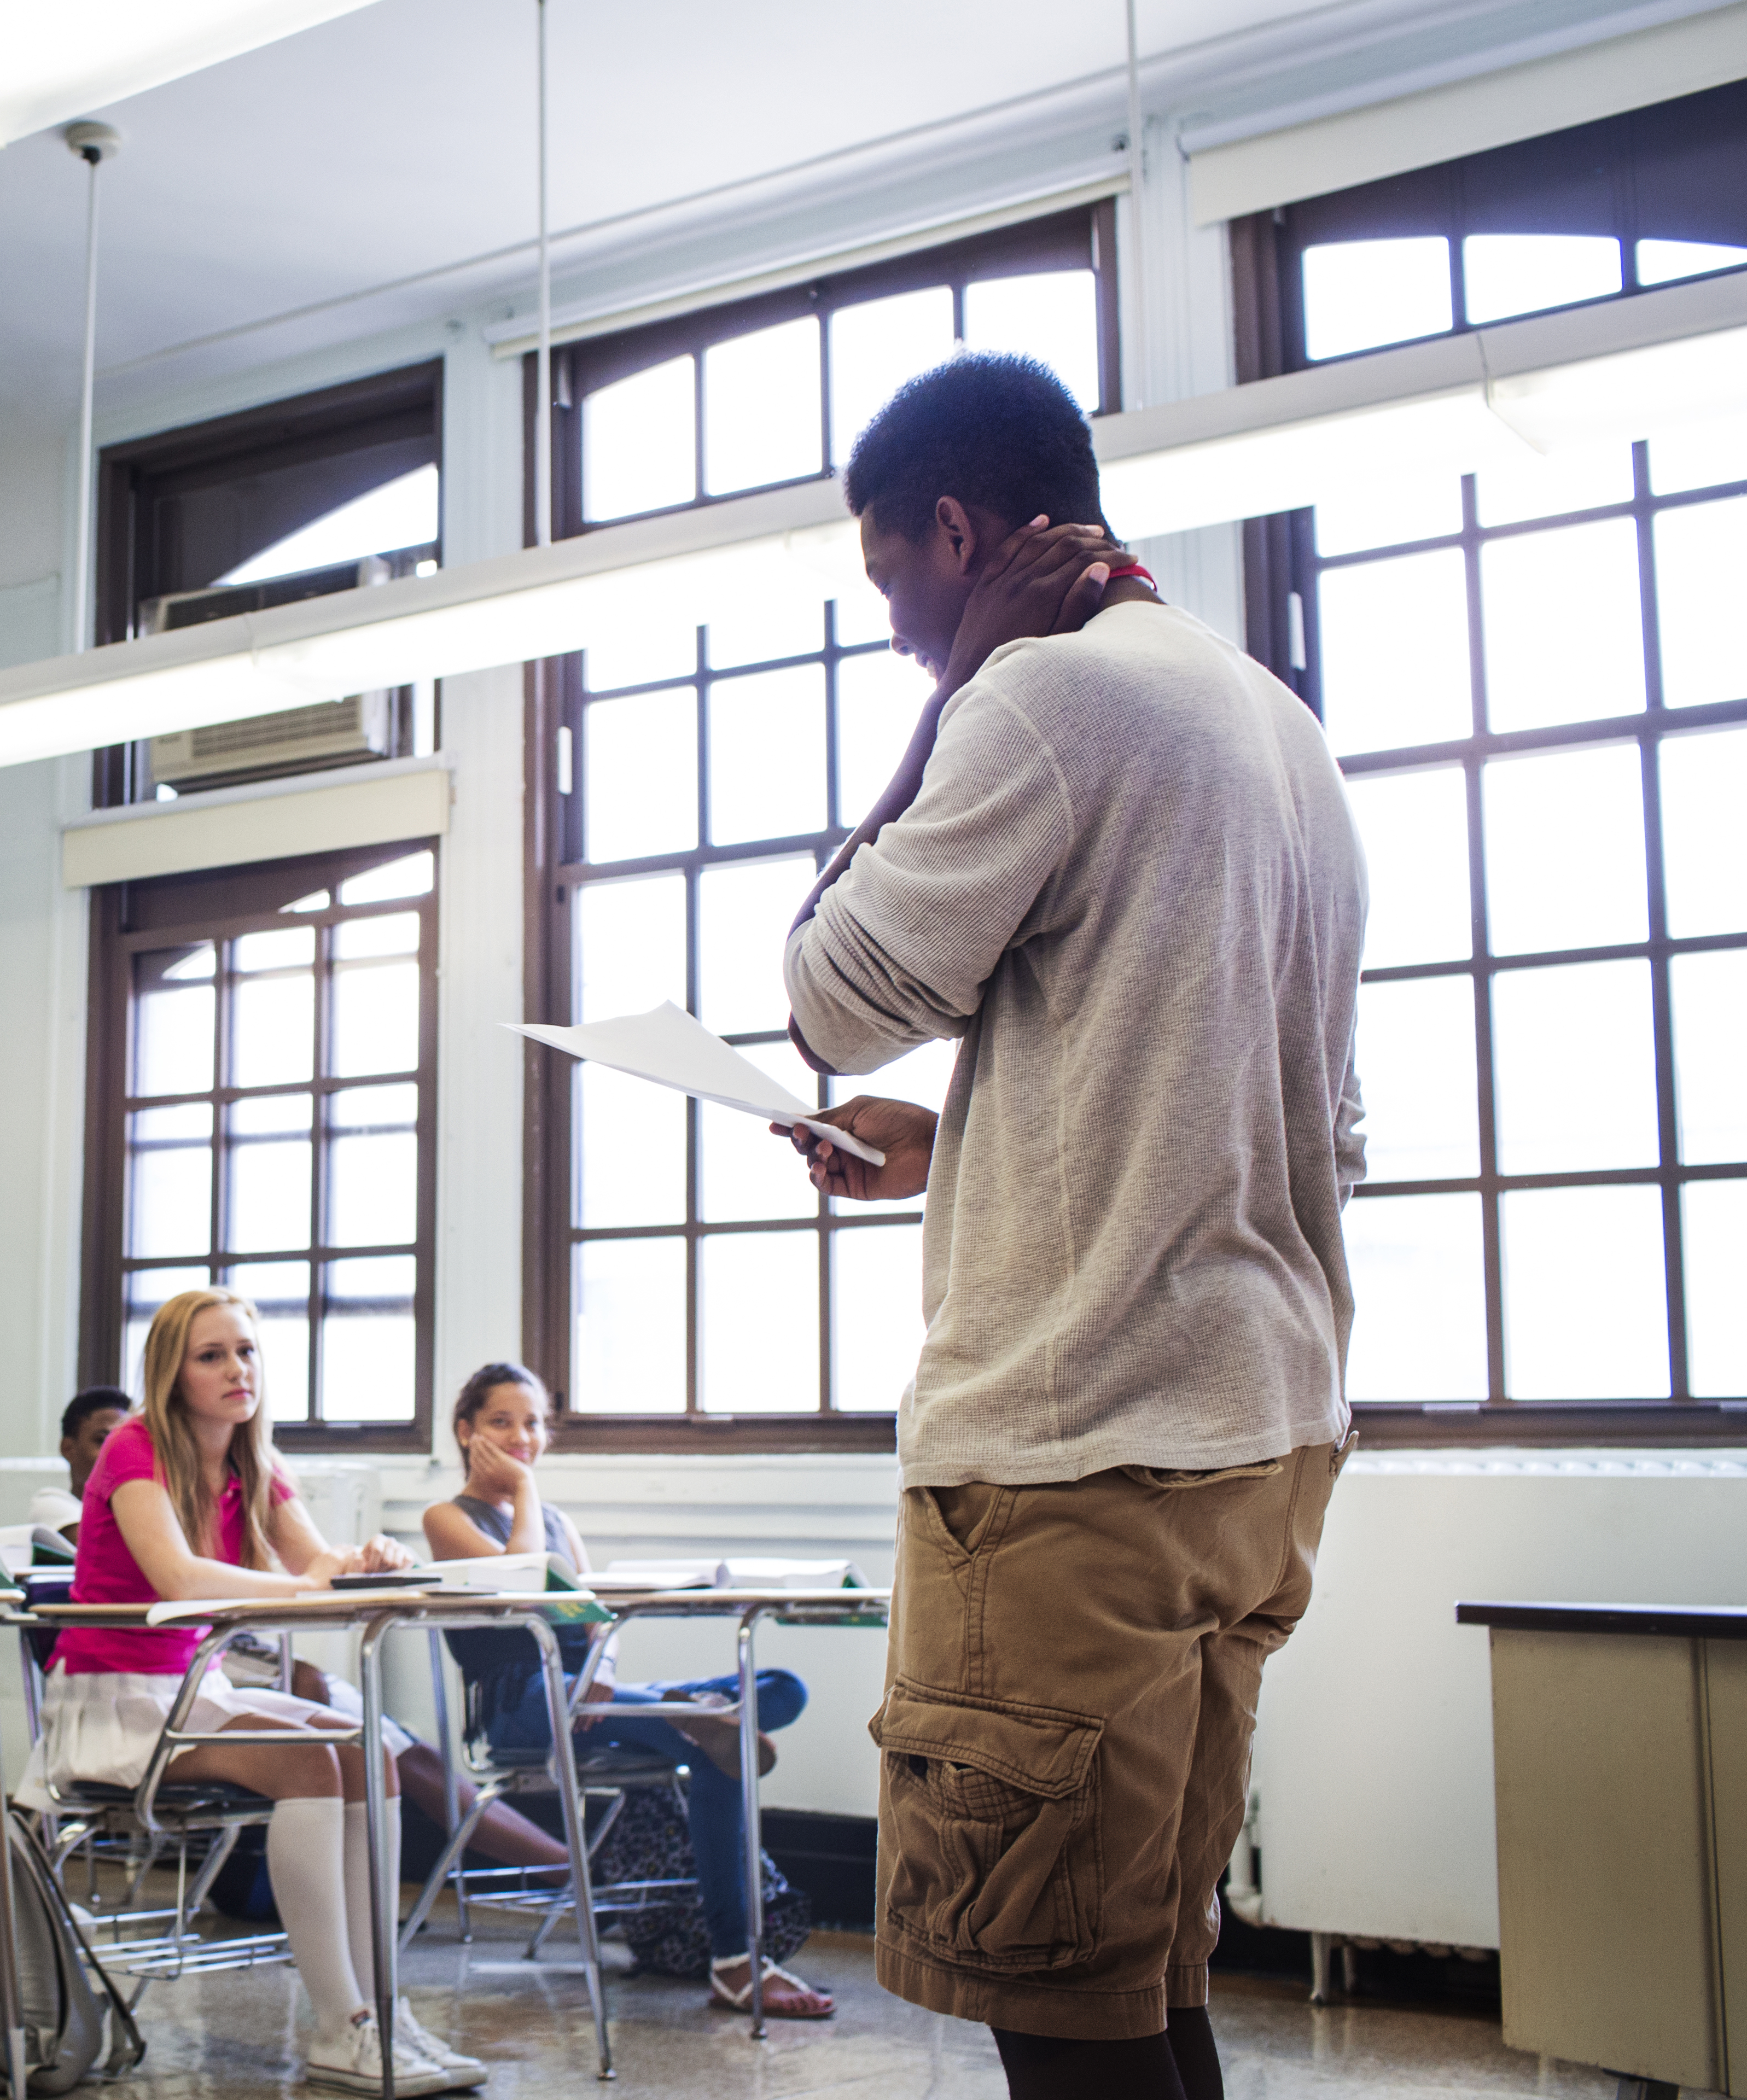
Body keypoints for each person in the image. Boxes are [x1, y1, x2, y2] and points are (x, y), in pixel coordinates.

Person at [777, 353, 1364, 2100]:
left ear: (957, 530)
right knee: (1148, 1976)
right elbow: (1232, 1085)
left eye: (892, 582)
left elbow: (827, 993)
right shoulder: (1272, 719)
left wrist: (944, 707)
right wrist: (969, 1143)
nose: (898, 627)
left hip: (1072, 1465)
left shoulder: (1037, 703)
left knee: (1061, 2014)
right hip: (1253, 1443)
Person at [26, 1285, 480, 2097]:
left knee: (368, 1748)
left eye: (246, 1351)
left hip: (186, 1690)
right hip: (111, 1701)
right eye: (212, 1356)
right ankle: (340, 2023)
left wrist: (367, 1558)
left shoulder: (254, 1459)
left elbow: (315, 1564)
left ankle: (378, 2009)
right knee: (310, 1765)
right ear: (172, 1374)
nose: (238, 1369)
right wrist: (308, 1584)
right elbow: (177, 1576)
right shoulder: (134, 1449)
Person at [420, 1363, 830, 2017]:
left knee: (781, 1689)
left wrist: (604, 1668)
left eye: (533, 1424)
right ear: (467, 1432)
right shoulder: (447, 1517)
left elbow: (597, 1619)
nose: (522, 1436)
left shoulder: (556, 1520)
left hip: (591, 1694)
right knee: (715, 1738)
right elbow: (524, 1586)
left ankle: (703, 1724)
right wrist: (523, 1486)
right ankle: (736, 1961)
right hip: (523, 1705)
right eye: (502, 1422)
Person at [30, 1386, 130, 1530]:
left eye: (126, 1443)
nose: (118, 1453)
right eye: (102, 1441)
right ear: (68, 1449)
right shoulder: (51, 1506)